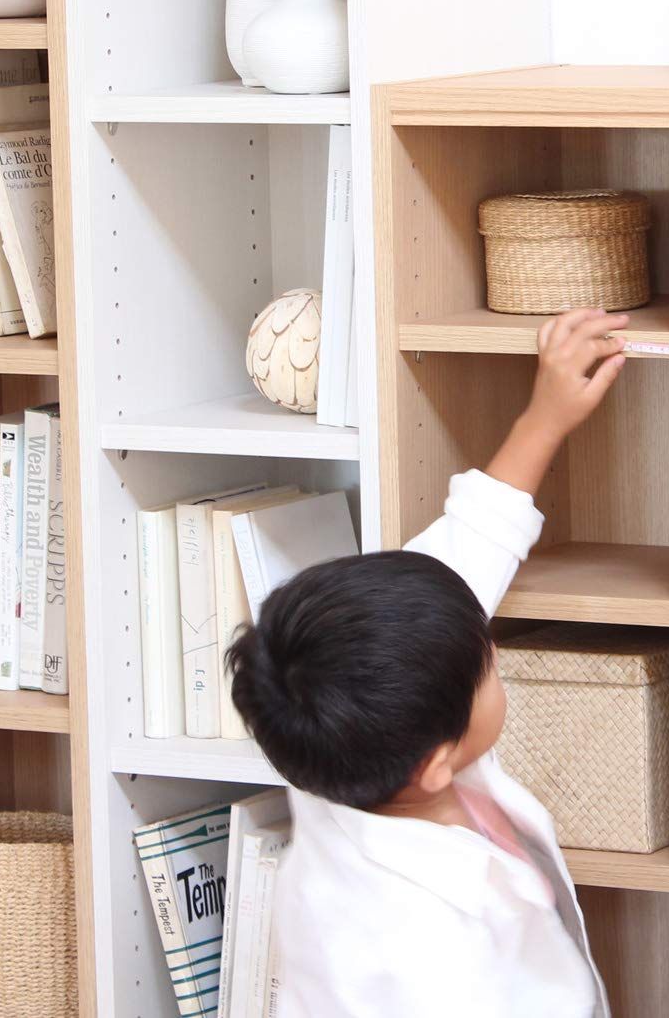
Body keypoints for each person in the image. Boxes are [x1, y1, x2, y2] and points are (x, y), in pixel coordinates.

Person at [227, 308, 630, 1018]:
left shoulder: (349, 743)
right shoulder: (420, 954)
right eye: (487, 668)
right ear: (437, 762)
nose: (493, 648)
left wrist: (545, 416)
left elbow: (464, 552)